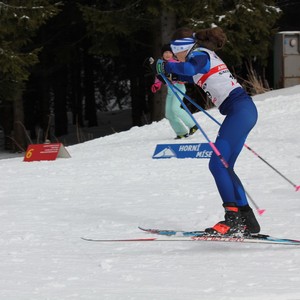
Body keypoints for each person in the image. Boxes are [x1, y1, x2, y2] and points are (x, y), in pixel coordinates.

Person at [158, 27, 260, 235]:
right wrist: (164, 73)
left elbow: (187, 69)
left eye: (175, 52)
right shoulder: (200, 58)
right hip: (242, 112)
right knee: (225, 166)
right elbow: (186, 75)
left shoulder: (199, 55)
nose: (175, 56)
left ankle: (232, 219)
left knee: (216, 163)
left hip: (240, 112)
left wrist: (166, 64)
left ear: (181, 47)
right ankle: (247, 220)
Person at [151, 44, 198, 139]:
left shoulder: (175, 63)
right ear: (162, 54)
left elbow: (183, 73)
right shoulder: (160, 64)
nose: (167, 55)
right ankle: (181, 132)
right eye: (165, 53)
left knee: (175, 108)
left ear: (173, 54)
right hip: (170, 90)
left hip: (179, 87)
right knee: (168, 113)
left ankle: (193, 125)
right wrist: (156, 85)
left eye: (169, 52)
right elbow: (159, 76)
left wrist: (182, 79)